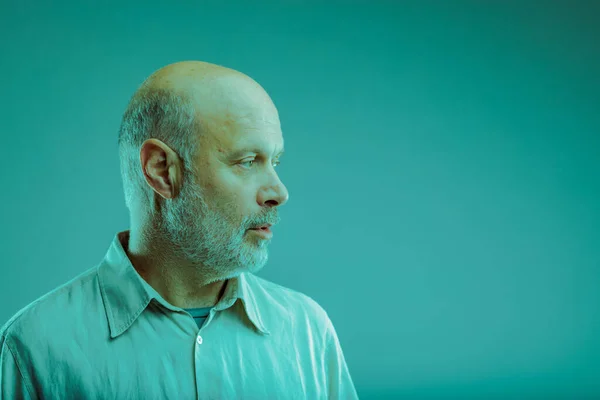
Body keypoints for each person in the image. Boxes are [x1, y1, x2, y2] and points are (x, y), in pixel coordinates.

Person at [0, 61, 359, 399]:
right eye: (248, 161)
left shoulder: (308, 332)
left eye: (274, 161)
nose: (279, 192)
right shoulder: (34, 347)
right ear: (161, 170)